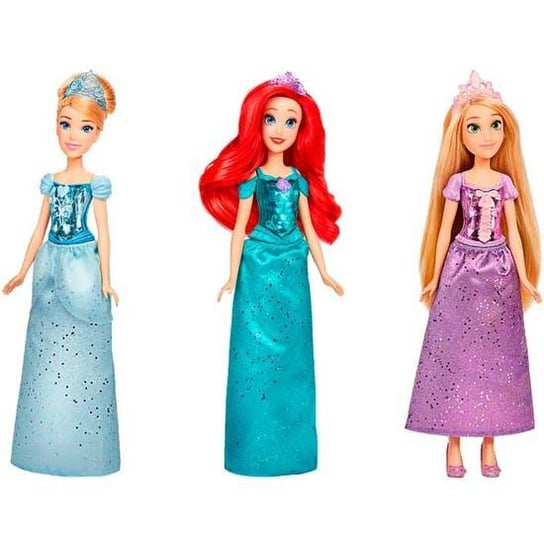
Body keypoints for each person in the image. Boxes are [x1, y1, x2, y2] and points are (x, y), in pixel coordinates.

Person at [200, 72, 343, 476]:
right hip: (259, 265)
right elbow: (239, 231)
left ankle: (293, 450)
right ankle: (251, 450)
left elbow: (308, 228)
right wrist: (231, 276)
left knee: (294, 358)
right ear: (256, 123)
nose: (279, 129)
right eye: (271, 118)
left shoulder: (298, 180)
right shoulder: (253, 178)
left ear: (301, 130)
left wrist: (325, 271)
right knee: (254, 357)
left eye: (290, 121)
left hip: (293, 266)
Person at [406, 71, 540, 478]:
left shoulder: (505, 183)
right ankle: (453, 440)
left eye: (495, 125)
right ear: (459, 134)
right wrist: (433, 276)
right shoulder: (458, 182)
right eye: (474, 127)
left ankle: (489, 441)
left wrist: (526, 278)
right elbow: (443, 231)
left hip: (499, 271)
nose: (486, 135)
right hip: (461, 269)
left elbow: (514, 233)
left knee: (497, 357)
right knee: (455, 353)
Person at [4, 71, 121, 476]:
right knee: (45, 351)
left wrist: (106, 279)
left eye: (85, 127)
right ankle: (42, 443)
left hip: (82, 266)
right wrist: (22, 271)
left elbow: (104, 233)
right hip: (48, 267)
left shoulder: (95, 183)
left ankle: (85, 447)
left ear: (97, 133)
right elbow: (38, 229)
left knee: (86, 354)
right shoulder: (51, 182)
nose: (73, 135)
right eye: (66, 124)